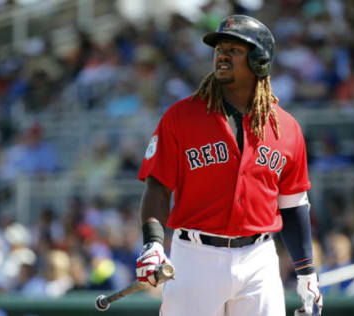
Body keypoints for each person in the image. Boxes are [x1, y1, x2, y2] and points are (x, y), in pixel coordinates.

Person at [135, 15, 323, 316]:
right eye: (219, 47)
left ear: (260, 60)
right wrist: (153, 244)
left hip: (258, 257)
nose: (222, 53)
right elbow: (157, 185)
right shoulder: (180, 117)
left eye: (235, 49)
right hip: (195, 256)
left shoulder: (286, 128)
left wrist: (306, 272)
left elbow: (293, 205)